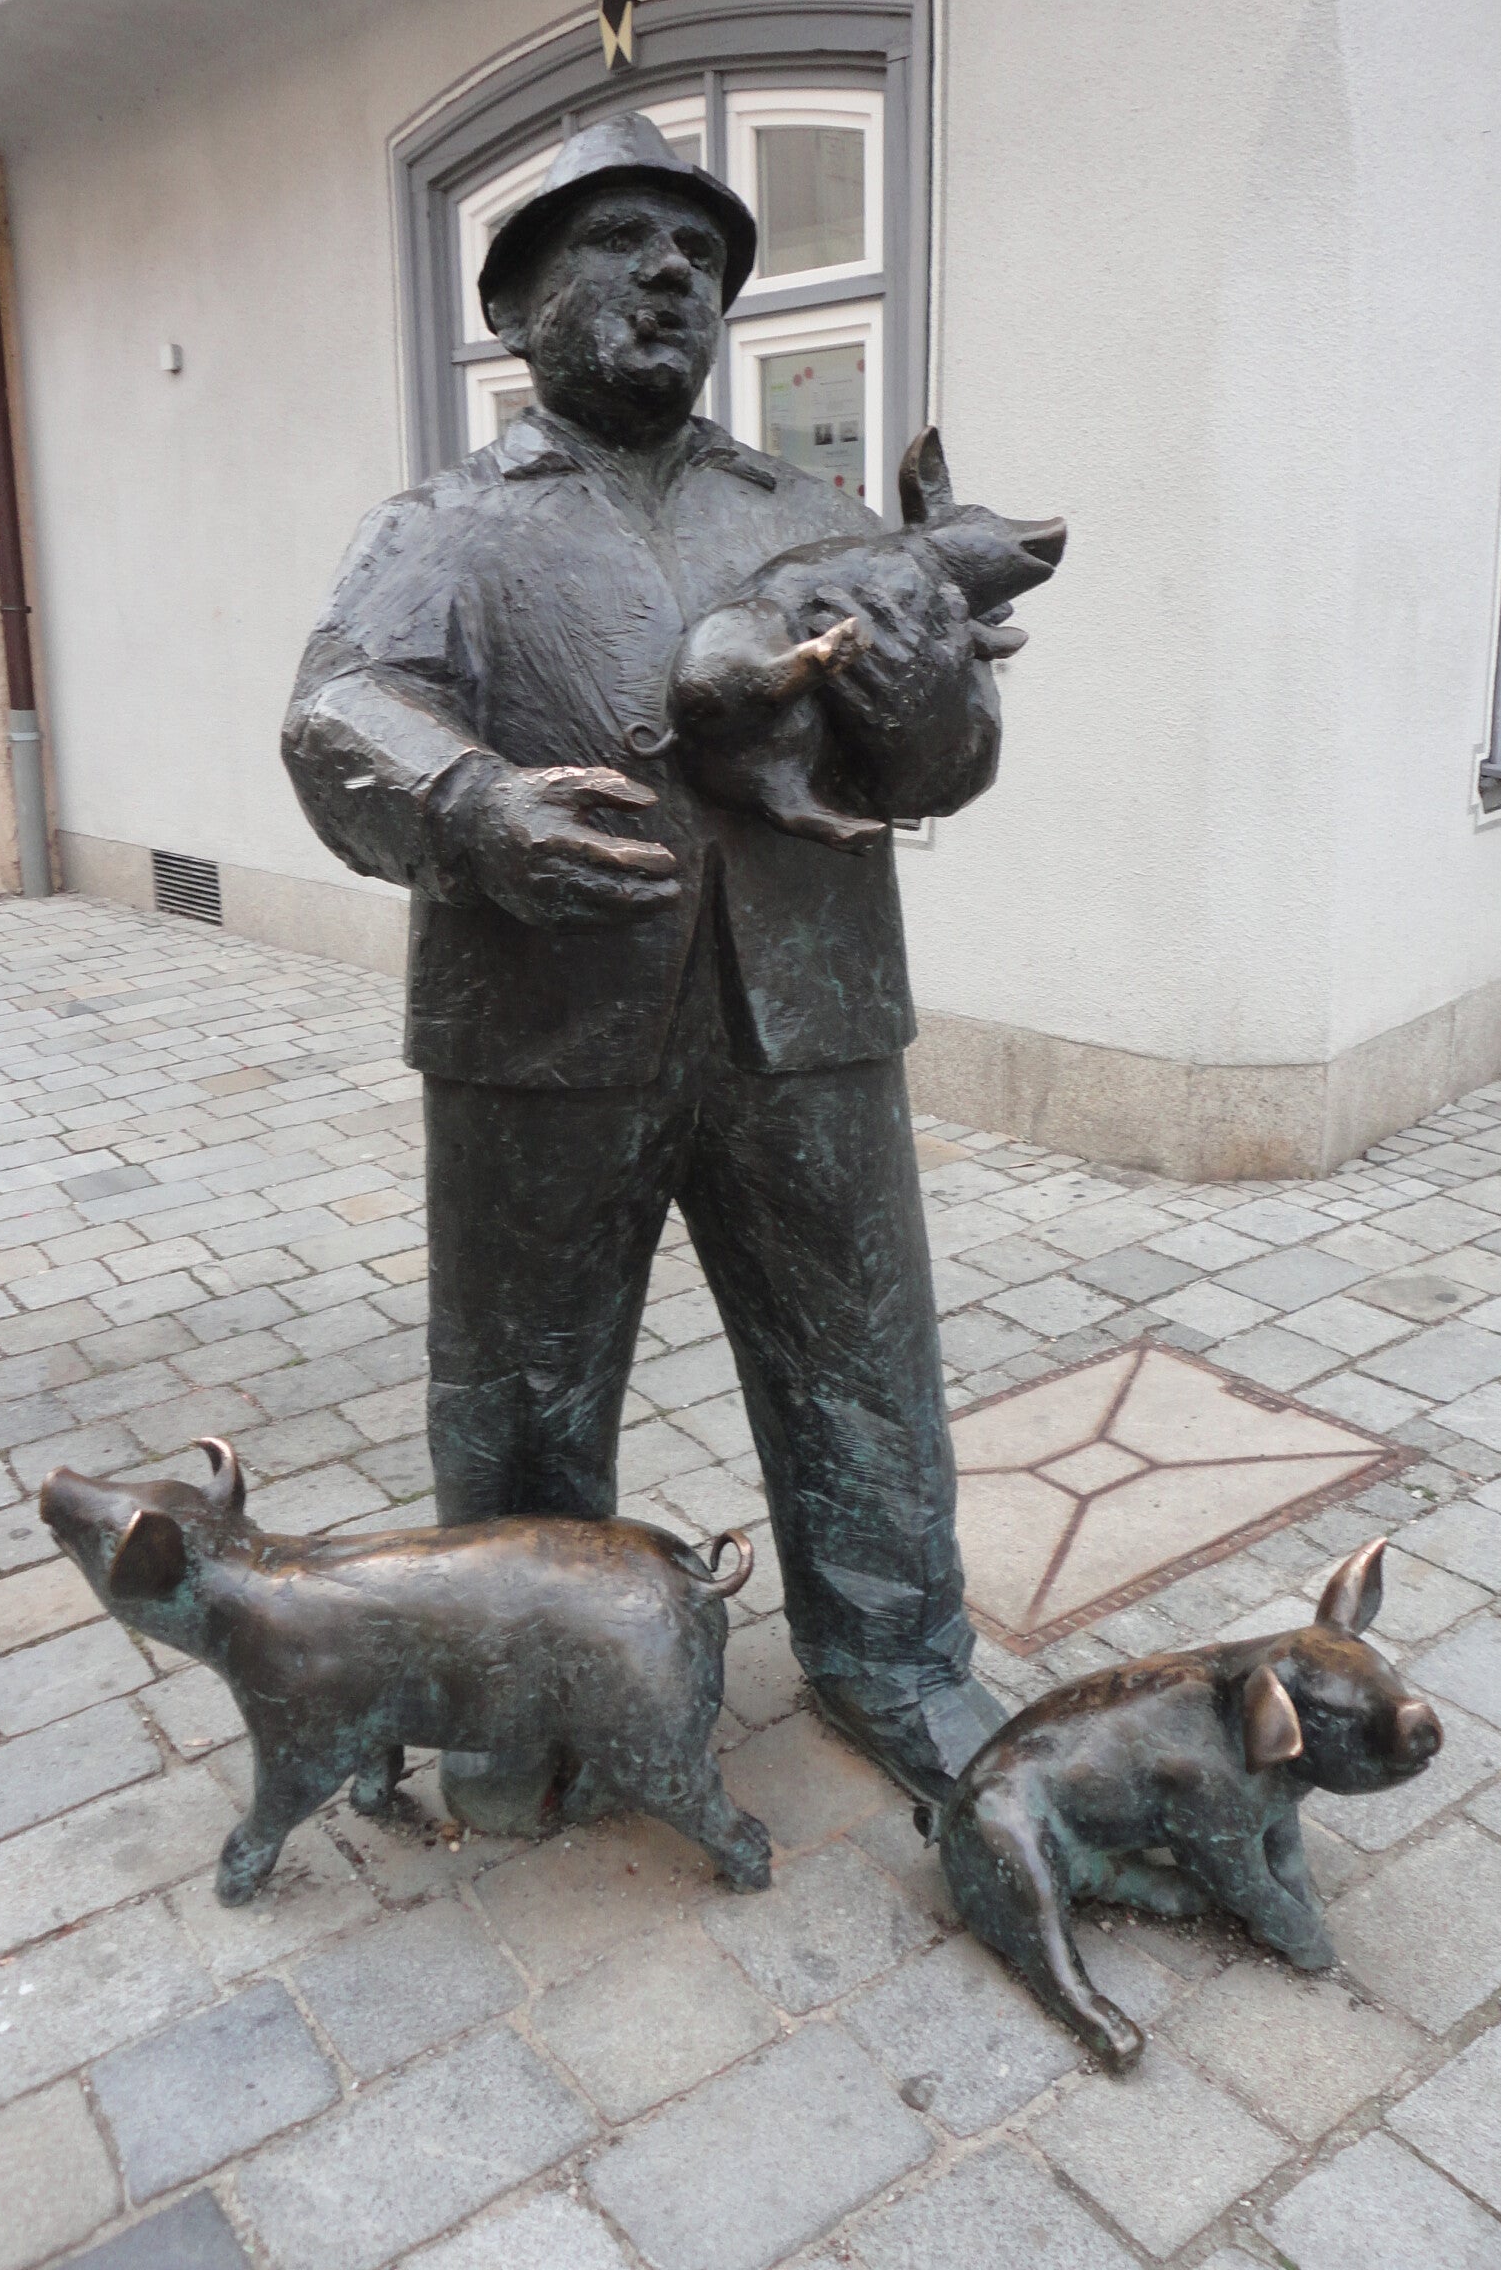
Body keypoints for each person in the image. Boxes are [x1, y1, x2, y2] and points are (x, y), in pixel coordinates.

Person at [283, 110, 1012, 1812]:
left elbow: (946, 766)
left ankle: (900, 1662)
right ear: (515, 301)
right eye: (619, 240)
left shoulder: (814, 514)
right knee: (524, 1394)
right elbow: (336, 713)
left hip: (808, 1017)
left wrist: (927, 689)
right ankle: (528, 1707)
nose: (673, 272)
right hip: (539, 1027)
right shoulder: (441, 527)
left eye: (700, 255)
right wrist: (470, 807)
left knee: (864, 1364)